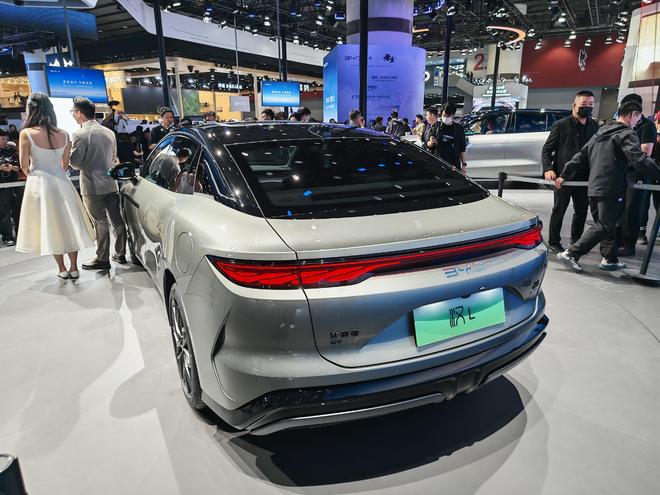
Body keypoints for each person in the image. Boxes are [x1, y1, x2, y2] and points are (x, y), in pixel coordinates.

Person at [556, 100, 660, 273]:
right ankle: (572, 254)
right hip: (612, 187)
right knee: (605, 224)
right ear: (633, 114)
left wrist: (564, 174)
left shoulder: (600, 132)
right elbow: (639, 160)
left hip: (594, 185)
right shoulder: (627, 134)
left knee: (606, 223)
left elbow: (580, 156)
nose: (637, 122)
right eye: (638, 118)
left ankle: (610, 259)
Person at [15, 93, 94, 278]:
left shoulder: (26, 134)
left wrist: (36, 174)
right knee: (69, 224)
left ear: (31, 110)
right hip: (63, 183)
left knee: (51, 226)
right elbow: (65, 164)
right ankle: (74, 267)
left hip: (41, 185)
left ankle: (62, 269)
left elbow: (24, 165)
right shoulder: (64, 134)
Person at [69, 96, 127, 270]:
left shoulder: (79, 134)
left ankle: (102, 258)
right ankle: (120, 253)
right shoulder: (109, 132)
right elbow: (114, 157)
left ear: (80, 113)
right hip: (111, 183)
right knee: (117, 220)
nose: (73, 115)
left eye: (73, 112)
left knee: (100, 222)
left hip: (92, 185)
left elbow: (75, 163)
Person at [542, 90, 599, 252]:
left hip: (585, 177)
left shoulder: (594, 126)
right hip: (563, 176)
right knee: (559, 210)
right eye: (583, 104)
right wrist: (548, 169)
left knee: (581, 211)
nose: (587, 108)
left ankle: (576, 241)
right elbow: (547, 149)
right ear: (574, 105)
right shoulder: (561, 125)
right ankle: (554, 241)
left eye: (590, 105)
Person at [618, 93, 656, 256]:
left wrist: (623, 150)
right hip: (620, 172)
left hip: (638, 173)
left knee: (632, 209)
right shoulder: (621, 125)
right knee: (619, 208)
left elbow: (645, 152)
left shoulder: (647, 125)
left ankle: (629, 244)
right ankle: (617, 240)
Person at [432, 102, 467, 171]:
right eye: (444, 115)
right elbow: (428, 144)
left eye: (448, 116)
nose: (445, 118)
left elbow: (462, 148)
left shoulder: (459, 129)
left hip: (454, 164)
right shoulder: (436, 126)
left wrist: (464, 164)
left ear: (453, 115)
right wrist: (432, 141)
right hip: (438, 164)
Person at [0, 129, 20, 246]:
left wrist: (12, 167)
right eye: (2, 139)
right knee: (4, 213)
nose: (5, 141)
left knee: (18, 211)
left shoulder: (12, 151)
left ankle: (20, 235)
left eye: (6, 139)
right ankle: (7, 237)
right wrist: (1, 167)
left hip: (14, 185)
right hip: (2, 187)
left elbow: (18, 167)